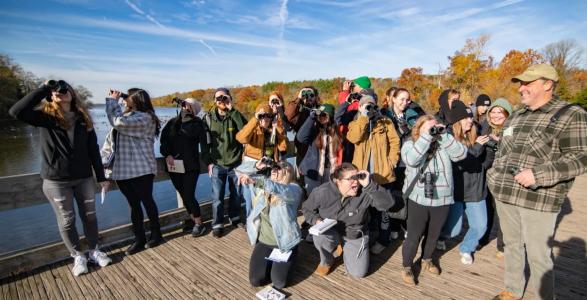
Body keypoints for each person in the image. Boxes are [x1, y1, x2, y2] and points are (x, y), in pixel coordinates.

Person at [487, 64, 587, 300]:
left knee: (538, 253)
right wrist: (494, 175)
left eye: (527, 83)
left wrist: (539, 174)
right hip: (505, 194)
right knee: (512, 245)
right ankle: (512, 289)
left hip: (538, 198)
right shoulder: (518, 115)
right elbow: (503, 149)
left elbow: (582, 157)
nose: (521, 88)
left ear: (548, 84)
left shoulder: (571, 114)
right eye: (521, 83)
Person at [9, 80, 112, 276]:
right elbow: (16, 111)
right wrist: (45, 88)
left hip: (83, 178)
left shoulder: (83, 118)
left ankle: (94, 250)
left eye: (64, 90)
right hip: (56, 180)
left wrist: (101, 176)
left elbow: (93, 151)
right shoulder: (45, 117)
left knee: (90, 216)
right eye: (56, 92)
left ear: (72, 94)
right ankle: (77, 255)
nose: (61, 93)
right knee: (66, 220)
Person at [400, 115, 467, 285]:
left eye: (434, 127)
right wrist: (426, 137)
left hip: (442, 198)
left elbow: (461, 154)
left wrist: (444, 135)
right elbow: (411, 160)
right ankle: (407, 266)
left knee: (434, 234)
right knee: (414, 236)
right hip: (418, 199)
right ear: (419, 128)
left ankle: (427, 258)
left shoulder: (443, 144)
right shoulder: (410, 143)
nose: (432, 130)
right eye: (427, 127)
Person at [301, 163, 394, 278]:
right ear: (338, 181)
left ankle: (345, 247)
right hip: (331, 231)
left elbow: (388, 204)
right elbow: (306, 208)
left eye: (357, 177)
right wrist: (316, 220)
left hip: (354, 234)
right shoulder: (322, 192)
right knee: (319, 237)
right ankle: (327, 260)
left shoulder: (365, 192)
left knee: (358, 273)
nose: (356, 182)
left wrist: (370, 185)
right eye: (351, 179)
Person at [102, 88, 163, 256]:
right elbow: (112, 138)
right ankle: (139, 238)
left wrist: (113, 101)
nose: (125, 99)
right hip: (122, 170)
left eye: (128, 97)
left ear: (137, 100)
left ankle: (156, 233)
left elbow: (117, 122)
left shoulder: (145, 118)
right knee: (133, 206)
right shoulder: (127, 116)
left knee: (147, 202)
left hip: (141, 168)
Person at [438, 100, 493, 265]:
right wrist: (476, 148)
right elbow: (460, 160)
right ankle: (441, 236)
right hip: (457, 190)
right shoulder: (448, 137)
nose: (470, 120)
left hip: (476, 188)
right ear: (457, 120)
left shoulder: (478, 133)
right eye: (466, 118)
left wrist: (481, 163)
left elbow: (489, 155)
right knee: (453, 230)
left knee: (481, 226)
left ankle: (467, 248)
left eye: (471, 117)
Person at [346, 94, 401, 254]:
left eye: (372, 105)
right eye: (366, 105)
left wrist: (392, 161)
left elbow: (395, 142)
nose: (370, 108)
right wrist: (363, 117)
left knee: (384, 211)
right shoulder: (355, 123)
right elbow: (353, 138)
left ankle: (384, 239)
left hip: (382, 174)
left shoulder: (385, 122)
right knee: (363, 209)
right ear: (360, 107)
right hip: (362, 176)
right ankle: (365, 237)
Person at [238, 161, 303, 289]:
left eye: (280, 168)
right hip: (264, 242)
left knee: (279, 282)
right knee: (256, 280)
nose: (275, 169)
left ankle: (292, 255)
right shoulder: (262, 187)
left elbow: (279, 189)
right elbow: (239, 171)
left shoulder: (294, 189)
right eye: (274, 167)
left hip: (285, 244)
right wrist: (256, 166)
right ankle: (272, 264)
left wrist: (257, 181)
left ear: (288, 172)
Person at [381, 88, 426, 245]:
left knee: (408, 194)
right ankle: (393, 226)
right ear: (393, 98)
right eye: (401, 99)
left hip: (409, 161)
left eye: (407, 100)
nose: (405, 102)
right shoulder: (384, 115)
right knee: (394, 195)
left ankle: (406, 225)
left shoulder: (413, 115)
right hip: (392, 161)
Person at [202, 87, 248, 238]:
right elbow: (204, 144)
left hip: (235, 163)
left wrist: (232, 110)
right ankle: (217, 223)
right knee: (217, 197)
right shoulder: (208, 118)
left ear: (230, 99)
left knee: (236, 194)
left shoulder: (234, 115)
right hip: (217, 164)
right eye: (218, 98)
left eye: (225, 97)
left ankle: (234, 218)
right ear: (214, 101)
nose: (221, 100)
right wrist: (208, 161)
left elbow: (246, 131)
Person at [160, 98, 208, 237]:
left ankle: (199, 224)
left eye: (189, 106)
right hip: (174, 166)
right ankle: (193, 220)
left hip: (191, 166)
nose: (185, 107)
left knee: (188, 194)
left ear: (194, 110)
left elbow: (196, 136)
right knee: (183, 194)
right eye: (184, 104)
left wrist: (189, 115)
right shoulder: (172, 123)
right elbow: (164, 140)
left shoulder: (197, 124)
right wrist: (167, 154)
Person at [236, 104, 288, 217]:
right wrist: (255, 119)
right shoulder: (253, 130)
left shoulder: (273, 130)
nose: (265, 119)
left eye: (268, 116)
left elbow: (283, 147)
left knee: (265, 197)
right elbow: (241, 138)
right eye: (262, 116)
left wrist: (277, 126)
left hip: (268, 171)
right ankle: (251, 225)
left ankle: (265, 224)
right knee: (250, 200)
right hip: (251, 170)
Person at [477, 98, 513, 257]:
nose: (496, 116)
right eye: (493, 112)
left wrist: (501, 142)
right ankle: (483, 237)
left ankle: (502, 245)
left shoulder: (511, 128)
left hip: (504, 177)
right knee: (487, 209)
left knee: (502, 211)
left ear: (507, 113)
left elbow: (514, 151)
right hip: (486, 174)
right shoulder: (485, 126)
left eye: (500, 112)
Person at [296, 104, 341, 194]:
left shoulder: (336, 132)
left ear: (330, 117)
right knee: (313, 199)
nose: (321, 117)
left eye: (324, 115)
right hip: (314, 172)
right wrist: (311, 118)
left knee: (329, 199)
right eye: (320, 115)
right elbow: (300, 137)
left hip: (330, 172)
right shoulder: (314, 130)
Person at [335, 76, 372, 163]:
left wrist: (345, 91)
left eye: (354, 85)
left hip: (355, 137)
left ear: (361, 87)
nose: (353, 87)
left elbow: (345, 107)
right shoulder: (365, 97)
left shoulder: (364, 100)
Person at [284, 86, 320, 169]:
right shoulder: (299, 113)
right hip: (303, 153)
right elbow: (288, 116)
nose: (308, 97)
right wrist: (299, 99)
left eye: (311, 95)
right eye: (304, 95)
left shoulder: (320, 110)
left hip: (318, 152)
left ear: (316, 97)